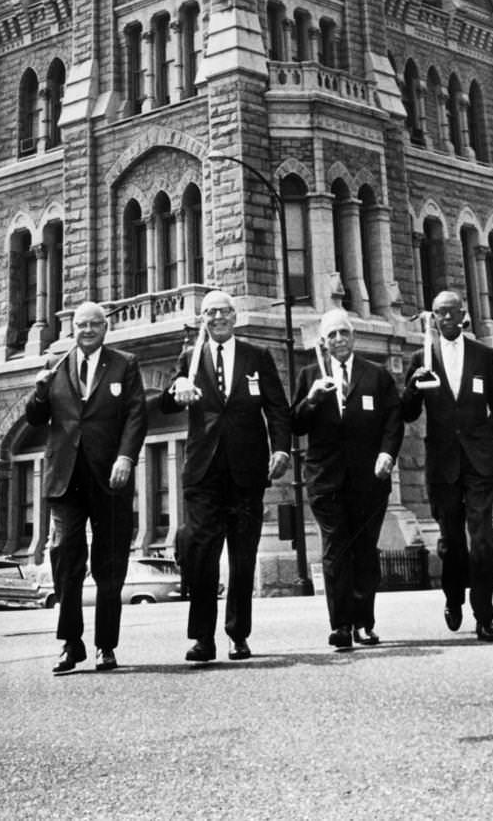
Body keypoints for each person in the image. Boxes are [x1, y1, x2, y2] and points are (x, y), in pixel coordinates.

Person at [160, 289, 291, 663]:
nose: (217, 317)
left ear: (234, 317)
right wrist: (177, 388)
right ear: (202, 318)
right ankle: (203, 638)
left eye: (223, 311)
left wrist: (280, 448)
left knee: (243, 555)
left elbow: (277, 408)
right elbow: (168, 402)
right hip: (203, 472)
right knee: (202, 555)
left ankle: (238, 634)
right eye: (210, 312)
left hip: (246, 471)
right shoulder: (190, 356)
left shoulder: (257, 357)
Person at [24, 300, 147, 675]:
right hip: (66, 479)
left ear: (105, 329)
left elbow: (136, 415)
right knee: (64, 559)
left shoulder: (124, 364)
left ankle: (105, 646)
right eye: (81, 324)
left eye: (95, 324)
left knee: (109, 565)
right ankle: (69, 643)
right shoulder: (56, 367)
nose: (87, 330)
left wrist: (126, 457)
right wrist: (40, 392)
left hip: (110, 478)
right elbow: (34, 417)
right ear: (72, 329)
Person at [402, 289, 493, 642]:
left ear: (464, 315)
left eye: (453, 312)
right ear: (434, 319)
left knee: (483, 542)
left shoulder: (485, 357)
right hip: (443, 466)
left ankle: (484, 616)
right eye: (441, 314)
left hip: (479, 463)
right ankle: (453, 596)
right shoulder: (421, 358)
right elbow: (407, 412)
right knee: (451, 544)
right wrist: (413, 385)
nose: (448, 319)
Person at [292, 308, 404, 651]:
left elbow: (394, 419)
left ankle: (363, 623)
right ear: (323, 342)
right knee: (335, 549)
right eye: (332, 335)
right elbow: (294, 423)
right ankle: (340, 625)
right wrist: (312, 399)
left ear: (353, 337)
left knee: (364, 551)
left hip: (368, 480)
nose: (339, 339)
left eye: (344, 332)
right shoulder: (310, 375)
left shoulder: (377, 375)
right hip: (326, 481)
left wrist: (387, 453)